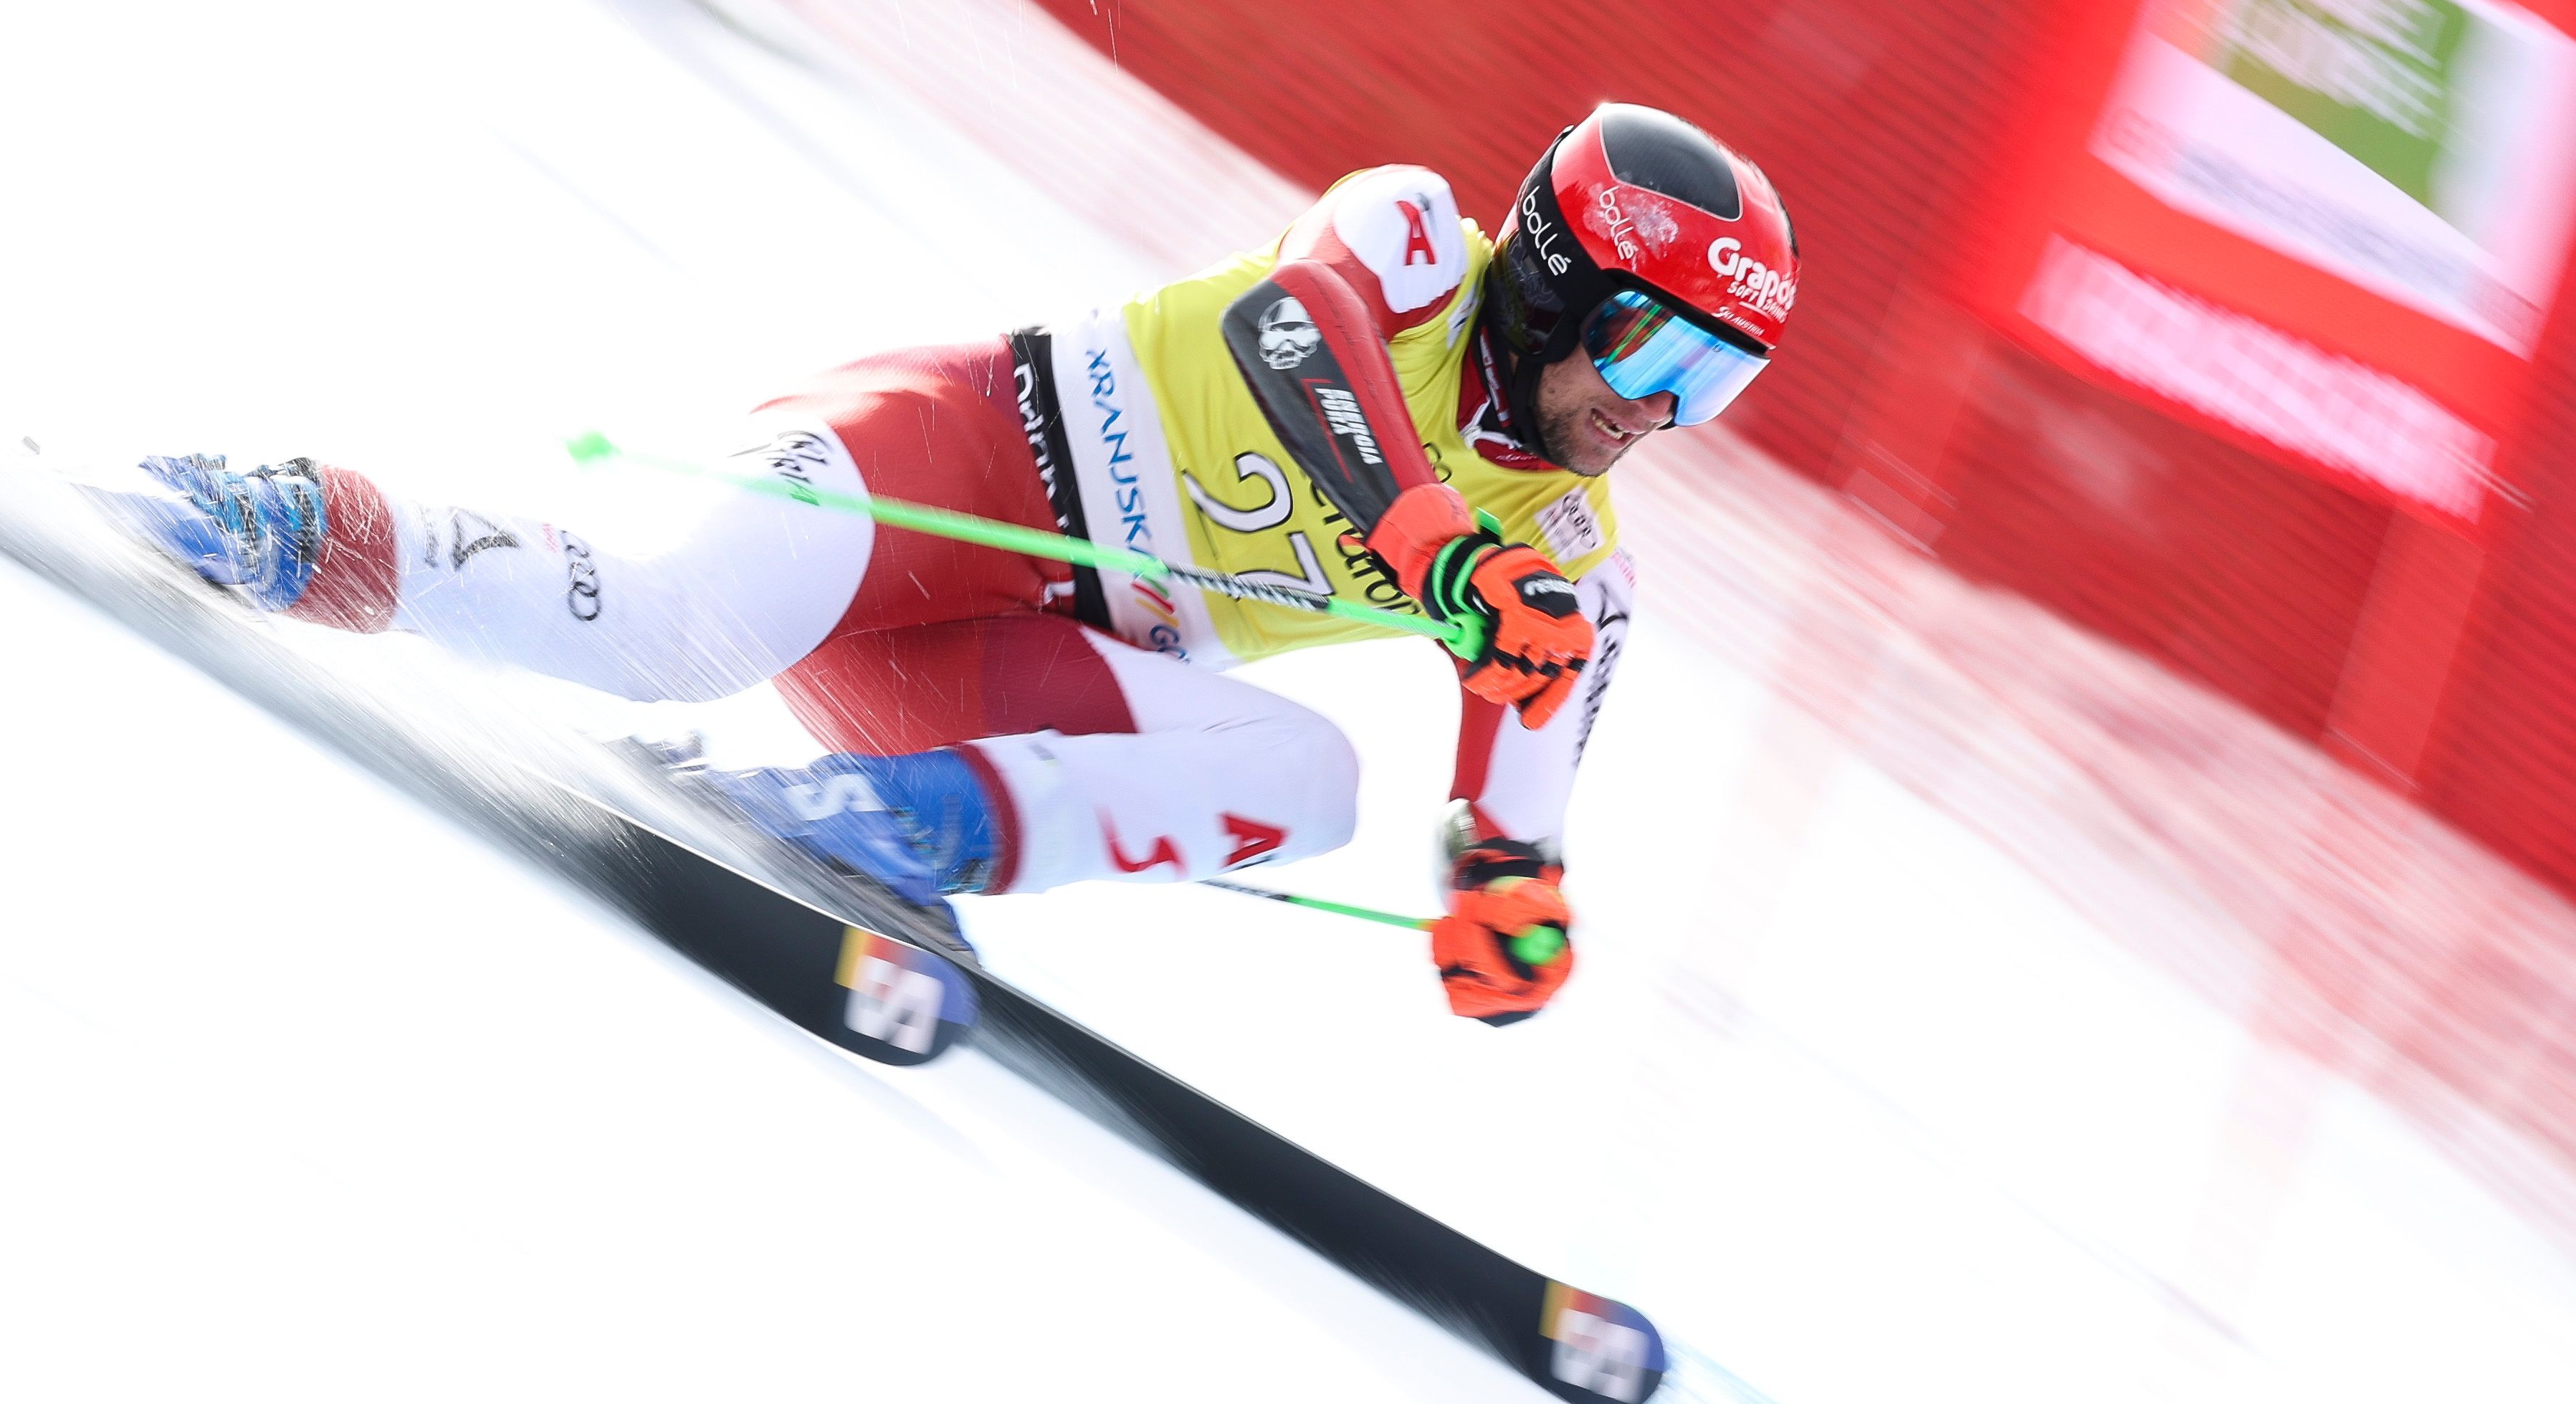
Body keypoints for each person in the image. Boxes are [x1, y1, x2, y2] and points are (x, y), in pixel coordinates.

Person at [100, 102, 1798, 1026]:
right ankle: (295, 518)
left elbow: (1514, 789)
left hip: (993, 661)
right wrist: (1433, 551)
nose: (1662, 416)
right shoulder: (1418, 236)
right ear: (1565, 282)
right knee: (675, 631)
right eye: (1661, 360)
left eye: (1716, 390)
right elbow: (1300, 333)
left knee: (1319, 774)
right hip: (959, 458)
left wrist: (1512, 895)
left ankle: (885, 833)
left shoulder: (1575, 546)